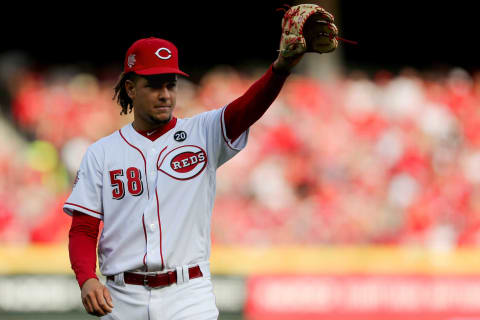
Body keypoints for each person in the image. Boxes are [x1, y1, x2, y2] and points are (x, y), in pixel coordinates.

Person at [64, 34, 309, 319]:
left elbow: (247, 108)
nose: (165, 94)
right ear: (130, 88)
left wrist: (281, 68)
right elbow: (83, 227)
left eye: (171, 85)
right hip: (121, 297)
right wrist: (86, 277)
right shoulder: (101, 153)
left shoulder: (203, 133)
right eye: (154, 86)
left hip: (188, 294)